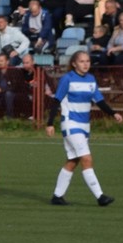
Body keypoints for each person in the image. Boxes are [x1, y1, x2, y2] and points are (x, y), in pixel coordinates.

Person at [46, 46, 118, 206]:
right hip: (71, 123)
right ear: (74, 64)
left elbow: (99, 100)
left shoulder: (91, 79)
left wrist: (113, 113)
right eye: (82, 61)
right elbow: (56, 101)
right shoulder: (67, 79)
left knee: (73, 161)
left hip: (85, 126)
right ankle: (100, 197)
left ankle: (57, 196)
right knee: (86, 159)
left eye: (88, 61)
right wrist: (50, 123)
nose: (85, 64)